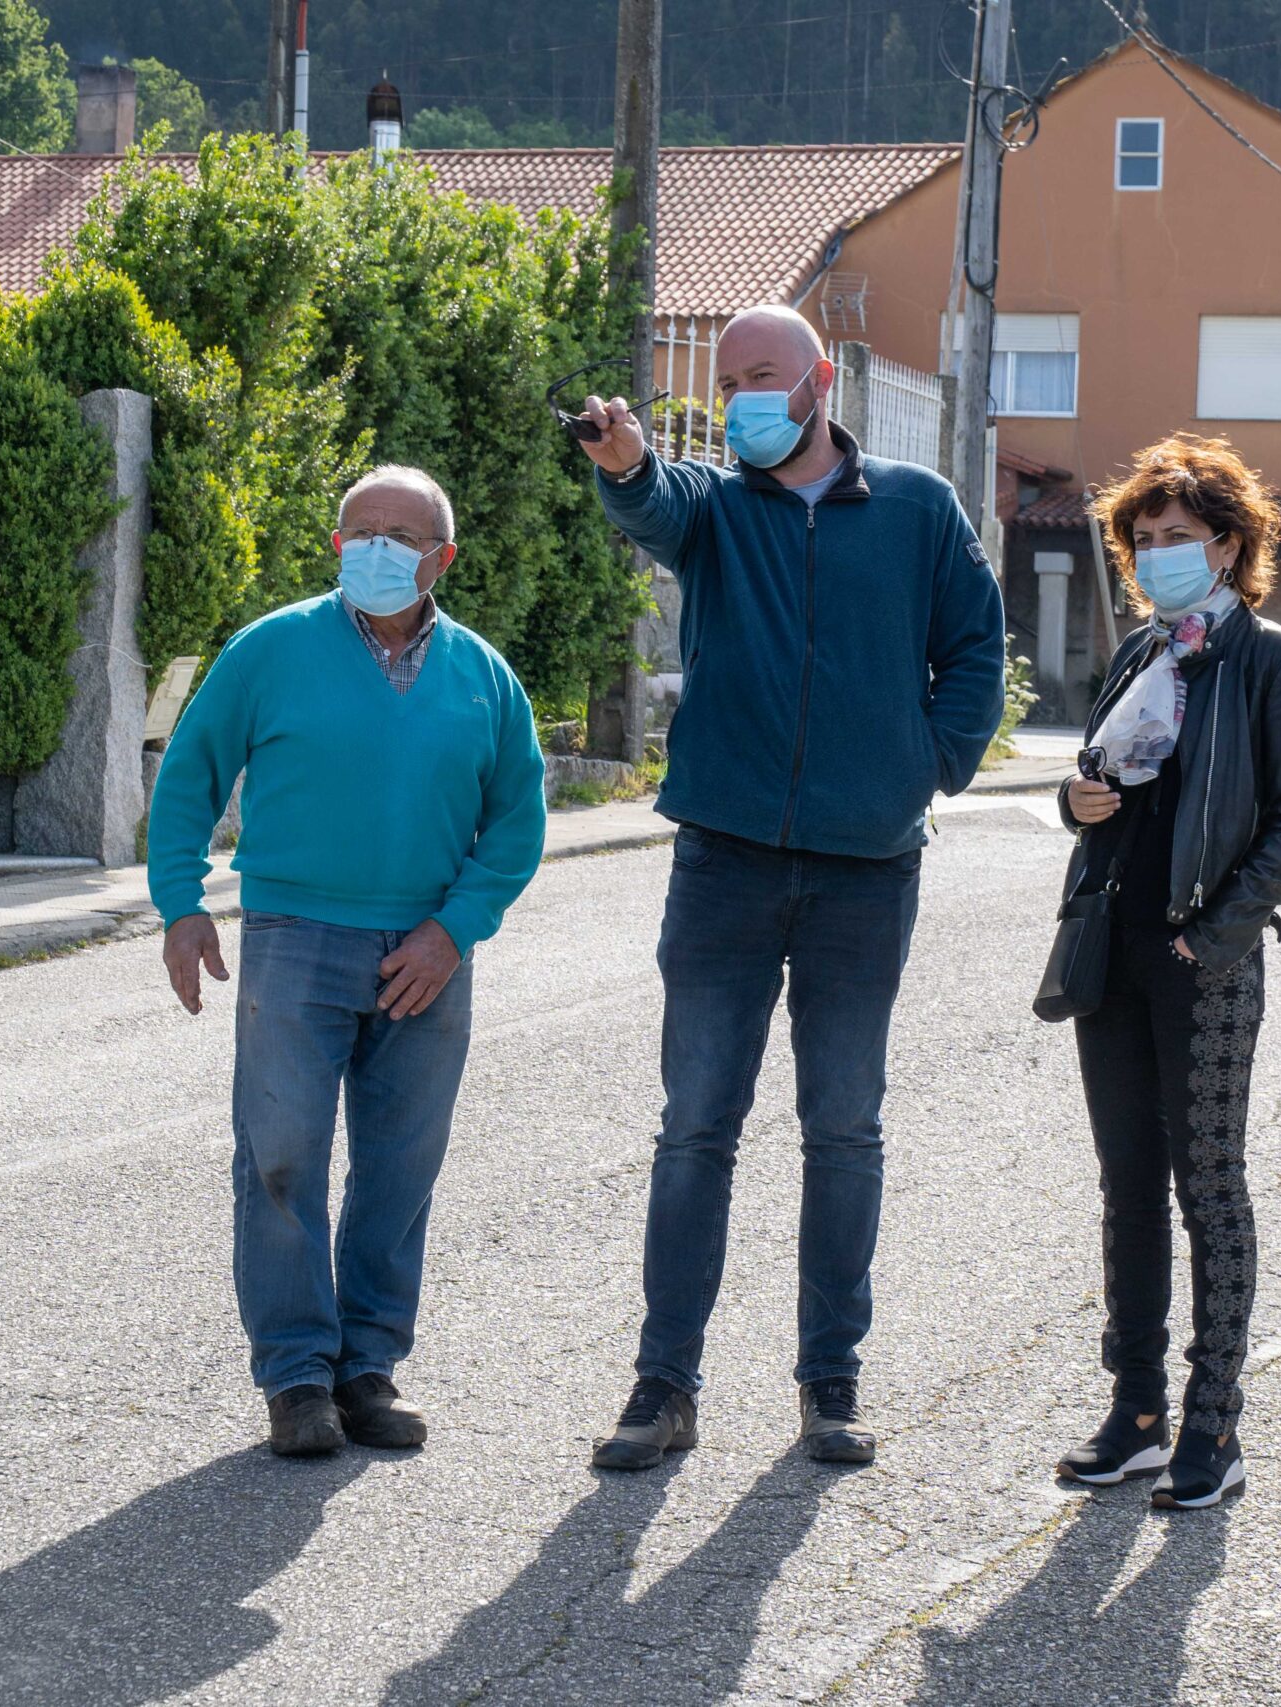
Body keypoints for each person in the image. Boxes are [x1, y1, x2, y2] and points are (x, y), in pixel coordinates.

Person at [572, 306, 1006, 1471]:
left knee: (844, 1129)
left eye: (762, 376)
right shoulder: (716, 506)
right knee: (695, 1127)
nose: (740, 399)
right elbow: (651, 497)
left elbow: (974, 649)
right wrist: (623, 463)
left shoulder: (917, 508)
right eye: (726, 383)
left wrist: (926, 762)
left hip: (868, 867)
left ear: (820, 382)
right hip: (724, 857)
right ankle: (663, 1388)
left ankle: (830, 1386)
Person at [150, 465, 547, 1457]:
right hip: (293, 938)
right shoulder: (271, 650)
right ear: (335, 547)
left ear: (441, 558)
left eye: (401, 533)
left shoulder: (484, 677)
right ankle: (295, 1376)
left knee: (400, 1166)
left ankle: (366, 1366)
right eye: (359, 530)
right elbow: (190, 774)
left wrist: (455, 929)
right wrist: (181, 905)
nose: (377, 546)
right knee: (280, 1156)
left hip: (426, 953)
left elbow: (516, 818)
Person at [1050, 434, 1281, 1509]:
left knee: (1205, 1188)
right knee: (1127, 1187)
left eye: (1177, 538)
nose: (1158, 555)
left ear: (1227, 544)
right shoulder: (1139, 656)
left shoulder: (1277, 664)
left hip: (1201, 959)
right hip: (1110, 950)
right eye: (1142, 541)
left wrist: (1207, 938)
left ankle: (1213, 1427)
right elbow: (1096, 787)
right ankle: (1134, 1414)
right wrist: (1072, 802)